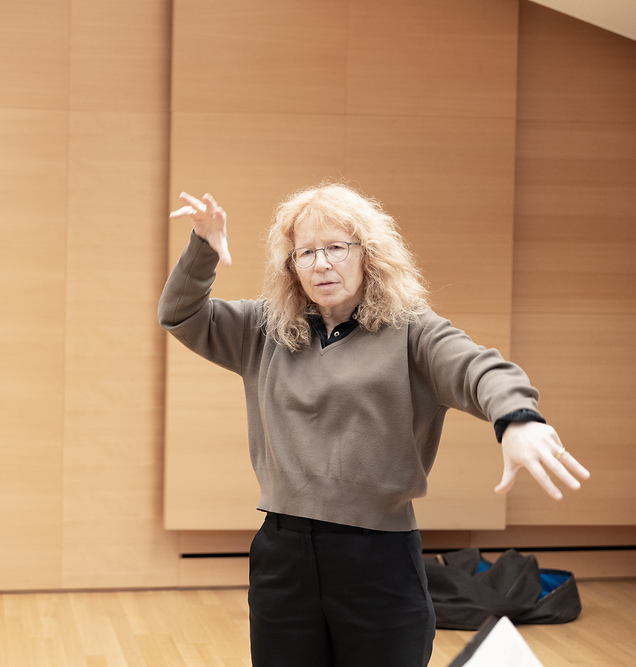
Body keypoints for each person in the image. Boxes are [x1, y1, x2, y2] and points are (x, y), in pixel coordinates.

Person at [158, 184, 590, 667]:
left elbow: (479, 369)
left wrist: (516, 418)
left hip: (378, 559)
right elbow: (179, 313)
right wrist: (204, 246)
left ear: (369, 254)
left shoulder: (412, 330)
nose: (321, 264)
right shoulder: (265, 329)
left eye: (336, 247)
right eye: (306, 252)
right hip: (282, 555)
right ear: (291, 266)